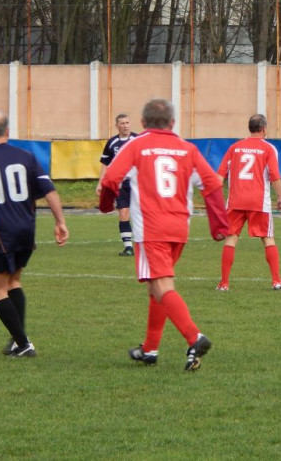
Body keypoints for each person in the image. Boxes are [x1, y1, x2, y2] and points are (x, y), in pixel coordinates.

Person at [99, 99, 229, 370]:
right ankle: (150, 349)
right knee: (154, 286)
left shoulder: (136, 145)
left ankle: (194, 336)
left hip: (151, 227)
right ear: (172, 123)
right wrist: (218, 224)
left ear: (143, 123)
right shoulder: (187, 148)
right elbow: (212, 183)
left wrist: (104, 204)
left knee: (162, 286)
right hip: (179, 227)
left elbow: (110, 179)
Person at [0, 110, 69, 357]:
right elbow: (49, 191)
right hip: (25, 231)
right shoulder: (26, 157)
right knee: (12, 282)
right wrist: (60, 222)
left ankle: (24, 344)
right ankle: (17, 339)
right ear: (8, 131)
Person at [216, 114, 281, 291]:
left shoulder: (235, 147)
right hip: (258, 202)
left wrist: (216, 200)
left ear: (250, 128)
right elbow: (274, 175)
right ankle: (276, 281)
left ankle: (224, 284)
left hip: (235, 201)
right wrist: (280, 197)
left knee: (231, 239)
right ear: (264, 128)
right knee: (268, 238)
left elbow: (219, 176)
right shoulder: (268, 148)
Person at [96, 114, 138, 256]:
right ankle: (128, 247)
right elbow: (105, 164)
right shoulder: (112, 142)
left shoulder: (137, 140)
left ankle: (147, 244)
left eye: (127, 122)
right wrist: (101, 183)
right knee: (123, 213)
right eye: (122, 123)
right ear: (117, 126)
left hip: (137, 183)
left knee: (143, 213)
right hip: (120, 183)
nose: (125, 125)